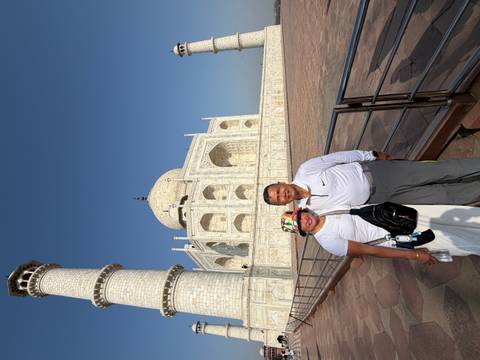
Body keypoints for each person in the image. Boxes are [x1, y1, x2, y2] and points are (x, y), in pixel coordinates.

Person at [263, 150, 480, 210]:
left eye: (278, 191)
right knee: (443, 197)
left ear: (281, 182)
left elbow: (339, 157)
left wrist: (371, 154)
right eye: (279, 199)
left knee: (441, 171)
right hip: (381, 198)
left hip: (380, 172)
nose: (282, 195)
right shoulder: (309, 210)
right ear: (283, 204)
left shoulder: (306, 169)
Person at [280, 206, 480, 264]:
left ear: (303, 211)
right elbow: (371, 251)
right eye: (300, 226)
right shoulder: (328, 242)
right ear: (303, 232)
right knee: (455, 241)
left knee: (452, 217)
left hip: (399, 216)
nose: (304, 221)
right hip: (401, 237)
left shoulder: (326, 211)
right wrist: (415, 255)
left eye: (300, 217)